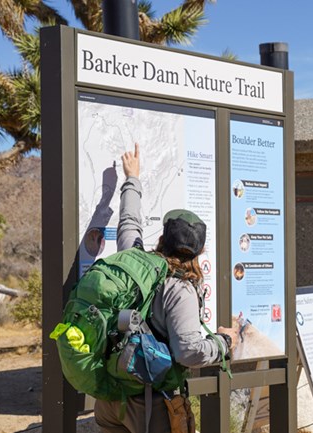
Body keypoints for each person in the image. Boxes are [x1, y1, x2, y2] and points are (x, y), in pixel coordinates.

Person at [94, 143, 238, 433]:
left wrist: (132, 178)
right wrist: (225, 342)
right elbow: (187, 352)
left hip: (110, 399)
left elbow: (128, 225)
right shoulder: (180, 289)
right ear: (199, 251)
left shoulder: (134, 264)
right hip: (150, 404)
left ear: (163, 238)